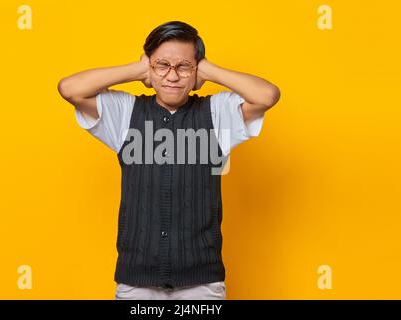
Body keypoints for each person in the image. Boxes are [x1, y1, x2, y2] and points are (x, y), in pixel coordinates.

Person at [58, 20, 280, 300]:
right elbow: (69, 88)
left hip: (201, 283)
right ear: (150, 69)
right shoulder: (126, 113)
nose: (173, 76)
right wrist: (140, 69)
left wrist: (206, 68)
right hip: (136, 281)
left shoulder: (217, 113)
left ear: (195, 70)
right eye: (162, 66)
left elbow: (267, 95)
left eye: (184, 67)